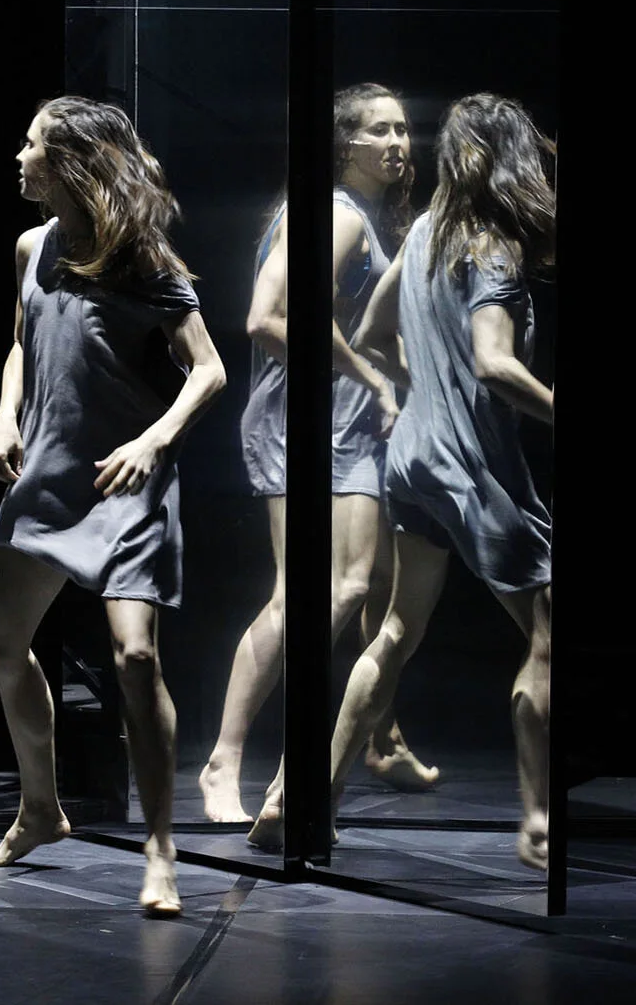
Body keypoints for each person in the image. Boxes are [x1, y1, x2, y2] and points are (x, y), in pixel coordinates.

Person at [0, 97, 226, 916]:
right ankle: (40, 809)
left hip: (125, 480)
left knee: (136, 658)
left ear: (69, 163)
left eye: (32, 145)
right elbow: (22, 342)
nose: (19, 157)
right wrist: (6, 414)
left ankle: (161, 848)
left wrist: (155, 440)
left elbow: (209, 369)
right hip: (47, 474)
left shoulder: (141, 256)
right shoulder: (32, 245)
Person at [206, 83, 438, 835]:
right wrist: (371, 378)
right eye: (380, 131)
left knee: (369, 587)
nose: (398, 143)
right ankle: (227, 760)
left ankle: (381, 738)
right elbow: (268, 319)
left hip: (347, 421)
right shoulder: (339, 214)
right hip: (311, 419)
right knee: (322, 591)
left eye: (403, 129)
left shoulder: (350, 214)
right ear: (344, 144)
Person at [332, 92, 555, 870]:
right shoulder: (493, 247)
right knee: (548, 638)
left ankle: (302, 802)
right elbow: (495, 365)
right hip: (473, 469)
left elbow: (369, 334)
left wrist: (421, 390)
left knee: (396, 630)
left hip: (413, 459)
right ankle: (540, 823)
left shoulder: (426, 230)